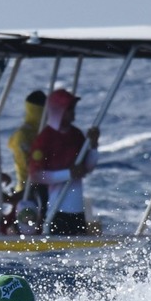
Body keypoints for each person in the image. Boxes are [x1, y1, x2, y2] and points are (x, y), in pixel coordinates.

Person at [28, 88, 101, 234]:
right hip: (56, 211)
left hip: (78, 210)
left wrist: (93, 145)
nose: (74, 113)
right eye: (70, 109)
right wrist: (68, 174)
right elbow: (36, 175)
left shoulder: (76, 135)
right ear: (58, 111)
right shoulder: (45, 139)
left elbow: (87, 167)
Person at [6, 90, 47, 224]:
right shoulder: (23, 135)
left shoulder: (46, 132)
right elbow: (30, 169)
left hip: (46, 188)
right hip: (27, 192)